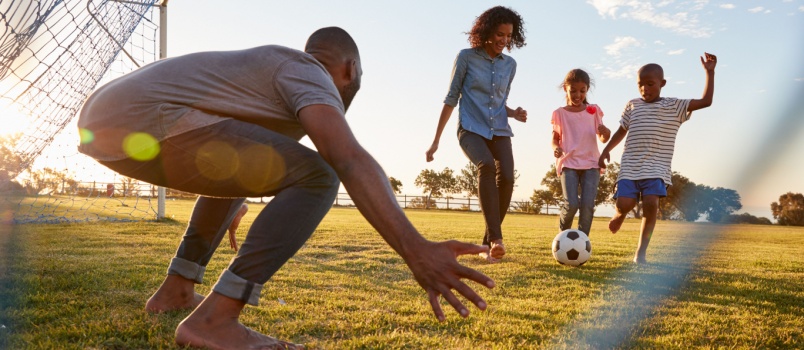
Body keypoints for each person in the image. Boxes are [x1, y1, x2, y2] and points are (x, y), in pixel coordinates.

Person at [77, 27, 496, 350]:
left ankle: (175, 291)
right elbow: (346, 157)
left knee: (265, 166)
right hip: (144, 117)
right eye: (357, 76)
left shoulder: (272, 82)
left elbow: (240, 158)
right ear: (350, 69)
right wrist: (416, 248)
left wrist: (231, 193)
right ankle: (214, 321)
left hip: (107, 122)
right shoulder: (307, 70)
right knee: (319, 176)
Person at [425, 6, 528, 263]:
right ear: (486, 32)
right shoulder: (466, 58)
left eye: (508, 36)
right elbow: (451, 98)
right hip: (470, 129)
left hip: (500, 130)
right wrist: (436, 140)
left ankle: (488, 244)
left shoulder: (510, 65)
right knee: (486, 166)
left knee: (506, 176)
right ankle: (497, 239)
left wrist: (514, 112)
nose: (504, 41)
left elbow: (497, 102)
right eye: (500, 34)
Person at [598, 53, 717, 264]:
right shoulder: (632, 105)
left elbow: (706, 101)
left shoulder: (674, 106)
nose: (645, 89)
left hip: (657, 167)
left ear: (662, 83)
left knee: (651, 203)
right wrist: (606, 150)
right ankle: (619, 214)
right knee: (625, 204)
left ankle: (641, 252)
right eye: (640, 85)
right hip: (630, 166)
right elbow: (621, 130)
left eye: (650, 84)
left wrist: (709, 72)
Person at [551, 69, 611, 236]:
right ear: (565, 89)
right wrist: (556, 148)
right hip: (568, 163)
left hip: (591, 163)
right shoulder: (560, 114)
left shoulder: (593, 111)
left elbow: (603, 138)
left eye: (582, 91)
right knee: (571, 204)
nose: (578, 95)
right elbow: (554, 139)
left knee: (587, 205)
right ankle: (563, 238)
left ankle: (582, 240)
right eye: (573, 91)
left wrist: (606, 132)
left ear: (587, 89)